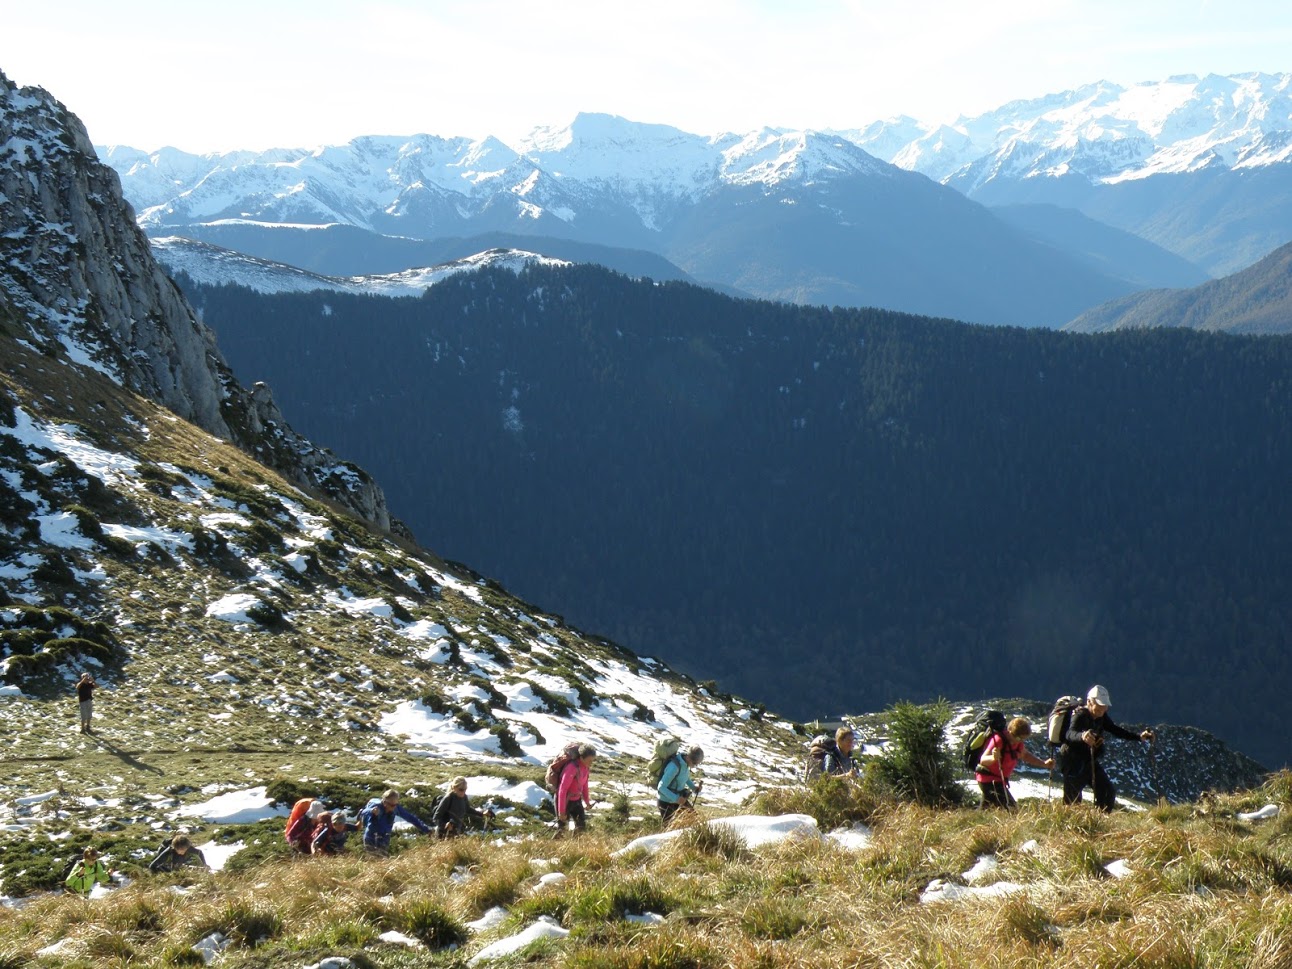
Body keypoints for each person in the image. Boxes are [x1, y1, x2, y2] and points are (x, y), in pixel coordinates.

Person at [1061, 685, 1155, 812]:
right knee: (1072, 802)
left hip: (1089, 761)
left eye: (1105, 706)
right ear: (1089, 702)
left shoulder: (1101, 717)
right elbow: (1069, 733)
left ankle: (1100, 822)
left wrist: (1139, 737)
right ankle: (1071, 825)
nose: (1103, 708)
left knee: (1107, 791)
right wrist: (1082, 736)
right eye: (1100, 705)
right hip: (1073, 763)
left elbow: (1115, 730)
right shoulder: (1079, 715)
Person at [975, 717, 1054, 809]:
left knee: (987, 808)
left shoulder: (1018, 743)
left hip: (999, 780)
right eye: (1018, 738)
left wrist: (1044, 764)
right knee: (1011, 808)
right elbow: (983, 760)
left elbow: (1025, 755)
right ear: (1009, 731)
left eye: (1023, 739)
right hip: (989, 779)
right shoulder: (998, 740)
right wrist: (993, 758)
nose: (1019, 740)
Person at [360, 789, 432, 854]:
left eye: (395, 804)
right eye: (392, 805)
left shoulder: (395, 807)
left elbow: (410, 817)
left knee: (382, 862)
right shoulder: (377, 806)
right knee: (376, 862)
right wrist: (371, 811)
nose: (394, 807)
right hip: (371, 838)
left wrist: (426, 829)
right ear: (385, 802)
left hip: (385, 839)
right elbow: (363, 812)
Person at [554, 745, 596, 836]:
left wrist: (587, 802)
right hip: (565, 801)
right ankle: (552, 848)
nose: (591, 763)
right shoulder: (572, 768)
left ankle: (575, 848)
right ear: (581, 758)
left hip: (576, 800)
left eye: (592, 760)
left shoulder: (585, 768)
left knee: (581, 828)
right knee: (562, 830)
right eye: (589, 760)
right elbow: (563, 789)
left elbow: (584, 786)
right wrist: (561, 811)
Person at [657, 744, 704, 824]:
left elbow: (684, 778)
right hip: (665, 803)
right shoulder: (674, 767)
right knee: (670, 831)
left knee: (694, 821)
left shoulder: (685, 764)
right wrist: (676, 799)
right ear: (688, 757)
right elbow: (661, 787)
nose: (695, 766)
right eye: (695, 764)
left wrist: (694, 788)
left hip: (678, 800)